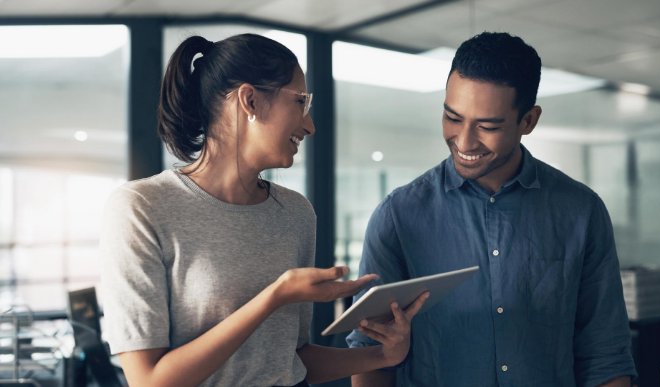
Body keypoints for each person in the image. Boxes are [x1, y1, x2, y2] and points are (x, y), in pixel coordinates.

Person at [99, 33, 428, 387]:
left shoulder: (296, 213)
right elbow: (149, 381)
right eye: (301, 102)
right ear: (250, 100)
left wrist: (383, 355)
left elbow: (291, 359)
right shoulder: (142, 208)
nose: (309, 125)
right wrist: (274, 296)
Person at [347, 32, 637, 387]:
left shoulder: (581, 211)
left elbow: (605, 353)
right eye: (453, 117)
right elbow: (369, 351)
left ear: (528, 121)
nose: (465, 141)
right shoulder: (398, 215)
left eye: (487, 126)